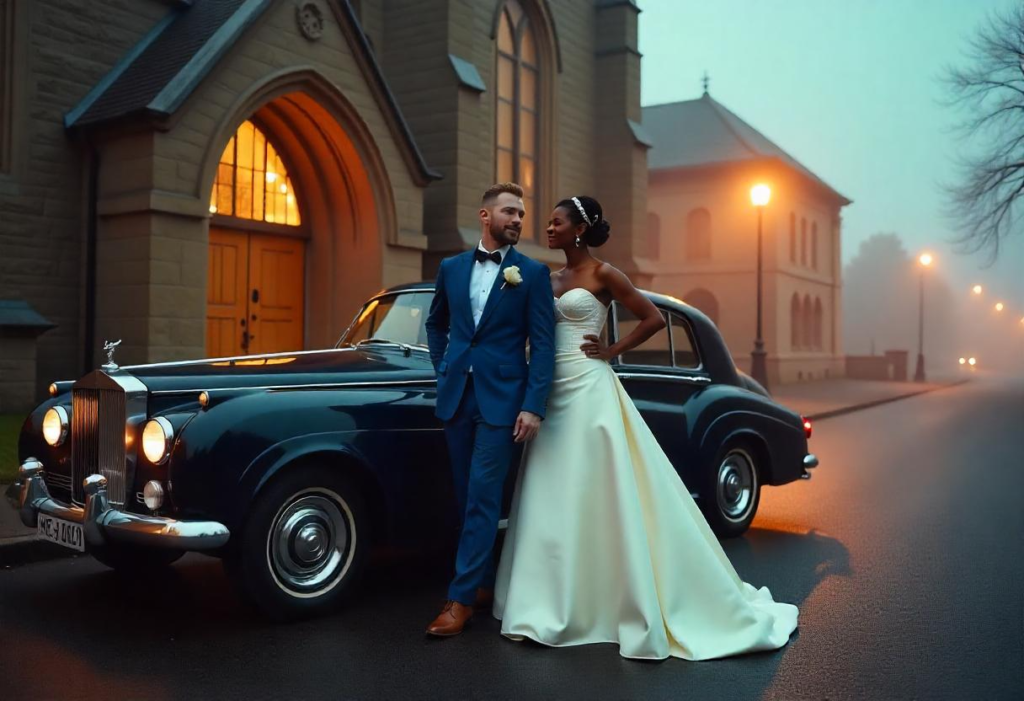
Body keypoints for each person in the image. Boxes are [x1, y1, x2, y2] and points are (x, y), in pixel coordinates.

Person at [493, 195, 799, 660]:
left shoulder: (603, 273)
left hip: (590, 386)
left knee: (599, 485)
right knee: (551, 487)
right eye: (548, 223)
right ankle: (549, 599)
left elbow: (653, 318)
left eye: (556, 223)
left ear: (579, 228)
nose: (548, 228)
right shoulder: (545, 278)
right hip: (551, 390)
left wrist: (612, 350)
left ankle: (613, 599)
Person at [423, 182, 556, 637]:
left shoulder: (532, 274)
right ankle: (480, 584)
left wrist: (533, 405)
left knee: (482, 494)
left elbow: (543, 345)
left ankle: (458, 600)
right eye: (509, 212)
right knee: (465, 497)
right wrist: (444, 366)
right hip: (457, 395)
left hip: (504, 403)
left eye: (521, 213)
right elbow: (436, 322)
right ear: (485, 216)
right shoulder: (452, 267)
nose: (518, 219)